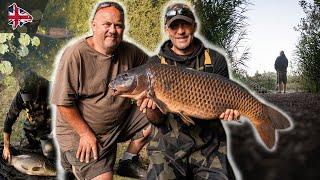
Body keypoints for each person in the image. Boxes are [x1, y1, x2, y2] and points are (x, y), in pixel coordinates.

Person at [137, 3, 239, 179]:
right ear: (167, 30)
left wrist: (232, 111)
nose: (180, 31)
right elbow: (156, 121)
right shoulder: (154, 65)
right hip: (167, 148)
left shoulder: (215, 60)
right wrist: (151, 108)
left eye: (185, 24)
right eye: (174, 26)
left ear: (194, 26)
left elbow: (228, 101)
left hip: (209, 146)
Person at [50, 1, 151, 179]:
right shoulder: (75, 55)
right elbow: (62, 104)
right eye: (107, 24)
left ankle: (128, 161)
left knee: (159, 111)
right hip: (81, 133)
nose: (113, 30)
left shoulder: (130, 51)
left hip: (119, 124)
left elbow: (156, 68)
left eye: (118, 25)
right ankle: (71, 162)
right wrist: (85, 133)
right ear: (94, 25)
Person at [2, 70, 54, 162]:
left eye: (32, 95)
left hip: (50, 125)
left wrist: (55, 131)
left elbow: (66, 111)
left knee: (49, 154)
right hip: (32, 123)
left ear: (38, 84)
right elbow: (8, 121)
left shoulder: (51, 89)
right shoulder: (20, 96)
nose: (29, 99)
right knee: (25, 151)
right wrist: (6, 147)